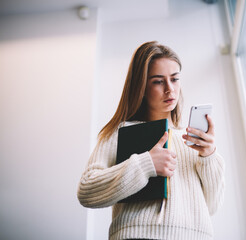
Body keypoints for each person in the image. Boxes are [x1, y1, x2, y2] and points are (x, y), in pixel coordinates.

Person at [77, 41, 225, 240]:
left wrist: (209, 157)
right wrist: (145, 164)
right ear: (141, 86)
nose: (170, 89)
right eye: (157, 81)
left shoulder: (194, 142)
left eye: (174, 79)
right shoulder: (120, 133)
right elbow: (87, 191)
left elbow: (212, 207)